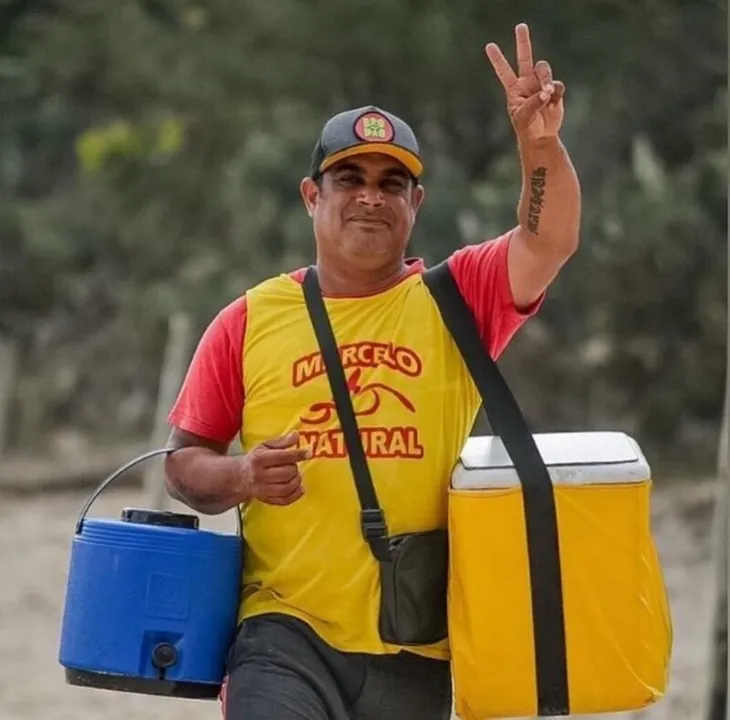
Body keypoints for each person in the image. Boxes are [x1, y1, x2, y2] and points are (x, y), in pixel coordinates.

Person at [164, 22, 581, 720]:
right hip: (281, 634)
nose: (370, 196)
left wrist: (539, 145)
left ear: (415, 205)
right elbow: (183, 464)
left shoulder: (461, 297)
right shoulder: (249, 318)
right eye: (348, 178)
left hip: (417, 647)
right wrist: (239, 476)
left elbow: (550, 240)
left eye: (393, 183)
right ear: (310, 196)